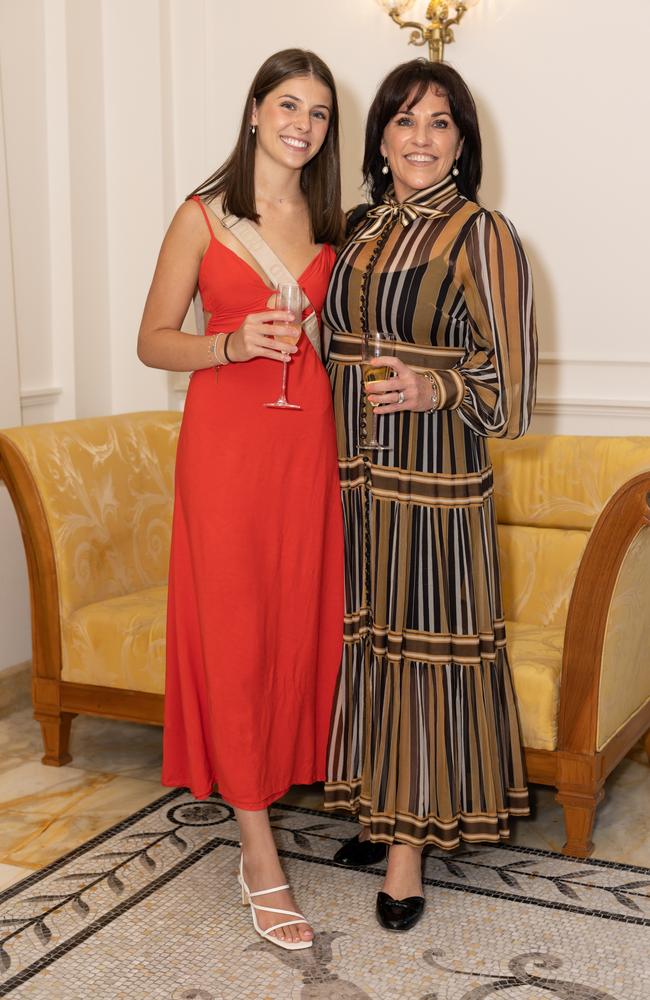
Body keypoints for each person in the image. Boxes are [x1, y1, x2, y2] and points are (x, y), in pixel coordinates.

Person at [323, 59, 537, 932]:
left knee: (420, 643)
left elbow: (512, 397)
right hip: (355, 479)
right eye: (405, 120)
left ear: (462, 142)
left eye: (440, 122)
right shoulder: (362, 230)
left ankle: (408, 852)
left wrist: (433, 389)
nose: (420, 137)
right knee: (372, 639)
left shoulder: (482, 234)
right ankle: (384, 810)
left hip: (436, 487)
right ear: (379, 136)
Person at [137, 49, 344, 952]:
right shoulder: (203, 214)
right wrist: (228, 345)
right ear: (256, 110)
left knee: (302, 621)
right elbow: (151, 341)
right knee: (233, 628)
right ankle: (258, 850)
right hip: (225, 451)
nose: (304, 122)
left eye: (322, 112)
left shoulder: (337, 223)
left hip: (308, 450)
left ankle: (291, 781)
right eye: (289, 104)